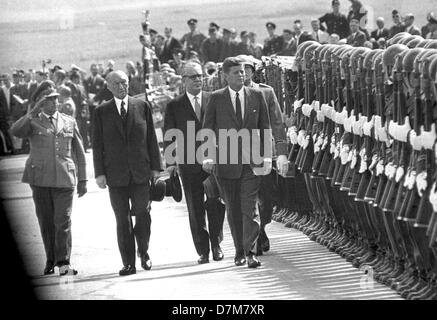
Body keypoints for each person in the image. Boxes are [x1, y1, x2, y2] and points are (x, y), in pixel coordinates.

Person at [10, 80, 87, 276]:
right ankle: (51, 259)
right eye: (49, 100)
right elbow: (15, 132)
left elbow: (79, 152)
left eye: (55, 99)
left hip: (64, 179)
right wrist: (31, 112)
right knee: (46, 222)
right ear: (40, 103)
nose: (54, 103)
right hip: (40, 179)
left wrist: (84, 180)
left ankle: (64, 262)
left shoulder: (69, 121)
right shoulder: (32, 121)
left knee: (63, 221)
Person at [202, 57, 273, 268]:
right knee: (233, 209)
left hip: (252, 163)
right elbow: (208, 129)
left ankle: (250, 252)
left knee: (249, 208)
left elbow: (265, 127)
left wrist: (267, 156)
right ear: (225, 76)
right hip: (225, 164)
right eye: (236, 72)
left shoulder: (257, 95)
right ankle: (239, 251)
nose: (241, 75)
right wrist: (208, 156)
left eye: (243, 72)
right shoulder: (216, 99)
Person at [92, 70, 162, 276]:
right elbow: (97, 145)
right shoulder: (101, 112)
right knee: (122, 220)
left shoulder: (142, 106)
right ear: (109, 87)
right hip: (115, 176)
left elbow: (151, 139)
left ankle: (144, 251)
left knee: (142, 213)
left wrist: (156, 168)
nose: (122, 86)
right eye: (117, 83)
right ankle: (128, 263)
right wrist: (99, 173)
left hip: (141, 173)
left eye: (124, 82)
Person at [164, 62, 226, 264]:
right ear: (183, 81)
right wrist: (171, 163)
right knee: (195, 207)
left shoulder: (214, 99)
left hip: (213, 162)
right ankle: (203, 250)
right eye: (193, 77)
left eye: (200, 76)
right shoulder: (174, 105)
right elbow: (169, 135)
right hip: (188, 164)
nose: (198, 80)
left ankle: (216, 244)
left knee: (215, 203)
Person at [239, 55, 289, 256]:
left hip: (264, 153)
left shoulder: (266, 92)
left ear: (253, 71)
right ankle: (255, 234)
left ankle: (263, 227)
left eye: (247, 69)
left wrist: (282, 152)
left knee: (266, 198)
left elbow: (277, 122)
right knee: (247, 197)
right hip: (241, 153)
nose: (243, 73)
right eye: (239, 70)